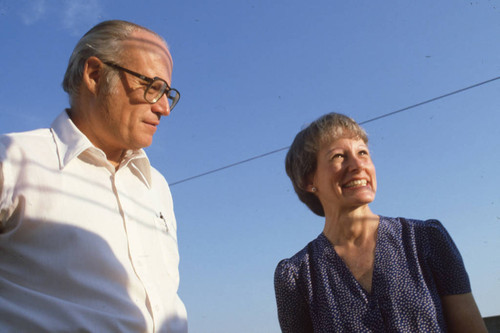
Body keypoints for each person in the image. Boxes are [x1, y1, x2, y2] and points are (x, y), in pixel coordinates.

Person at [0, 20, 187, 332]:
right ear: (95, 75)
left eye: (168, 93)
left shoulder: (157, 186)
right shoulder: (13, 159)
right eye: (153, 87)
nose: (164, 108)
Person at [274, 113, 487, 332]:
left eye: (363, 153)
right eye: (338, 156)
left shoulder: (426, 239)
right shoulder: (296, 276)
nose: (358, 165)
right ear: (309, 181)